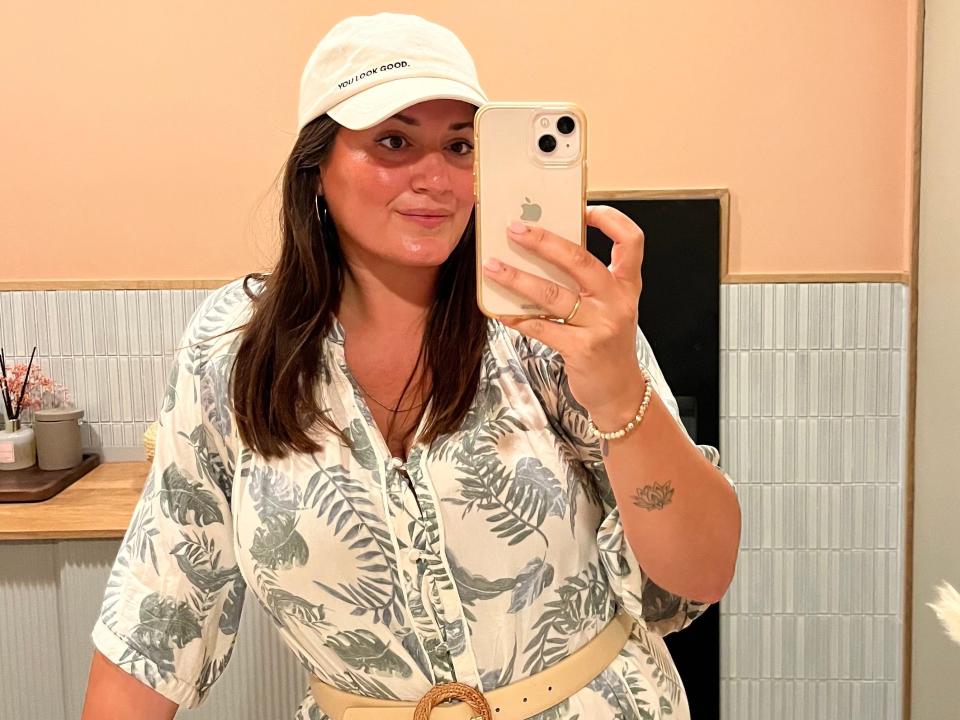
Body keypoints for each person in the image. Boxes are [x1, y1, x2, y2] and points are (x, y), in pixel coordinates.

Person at [81, 12, 740, 720]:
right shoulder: (234, 347)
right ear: (316, 173)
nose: (436, 178)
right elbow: (162, 606)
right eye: (393, 141)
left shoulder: (554, 324)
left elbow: (702, 571)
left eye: (460, 146)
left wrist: (619, 396)